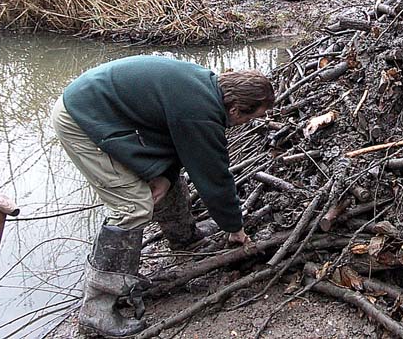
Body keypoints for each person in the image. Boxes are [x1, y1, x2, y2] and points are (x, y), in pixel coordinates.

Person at [50, 55, 274, 337]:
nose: (249, 123)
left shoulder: (204, 90)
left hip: (107, 110)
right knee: (133, 207)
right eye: (253, 116)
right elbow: (214, 178)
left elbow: (174, 143)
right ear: (236, 108)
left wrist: (164, 176)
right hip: (82, 119)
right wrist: (235, 229)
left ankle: (185, 239)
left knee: (165, 182)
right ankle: (96, 310)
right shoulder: (200, 111)